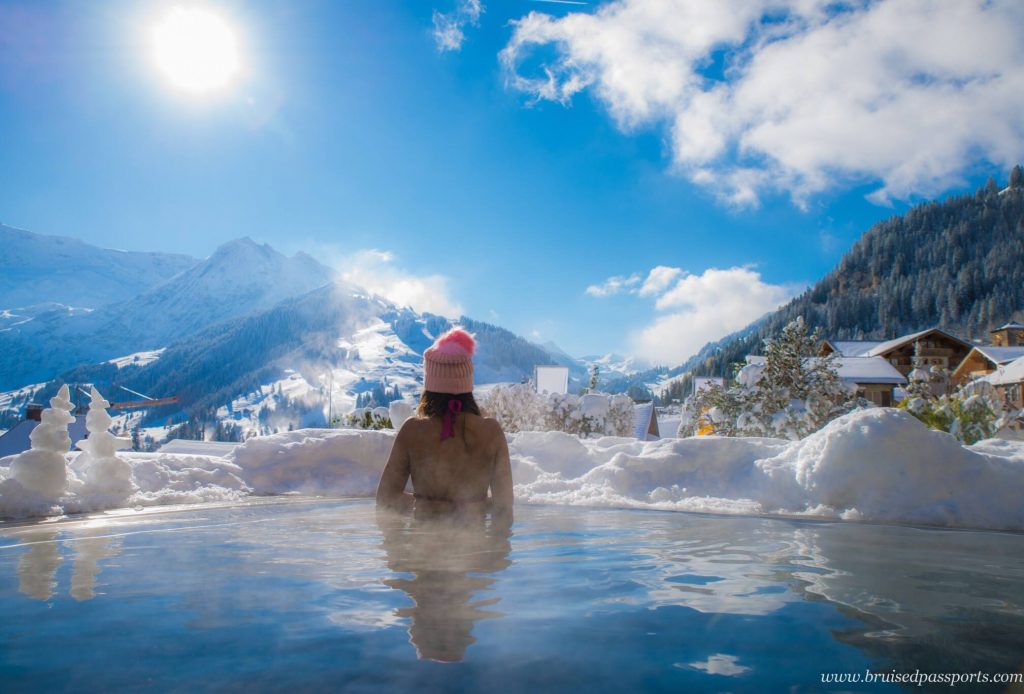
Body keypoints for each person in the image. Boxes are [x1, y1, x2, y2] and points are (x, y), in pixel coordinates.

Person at [376, 328, 514, 521]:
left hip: (423, 544)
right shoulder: (491, 431)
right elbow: (504, 507)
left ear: (430, 386)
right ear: (467, 383)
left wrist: (426, 505)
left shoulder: (413, 430)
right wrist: (474, 506)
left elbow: (385, 499)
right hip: (477, 545)